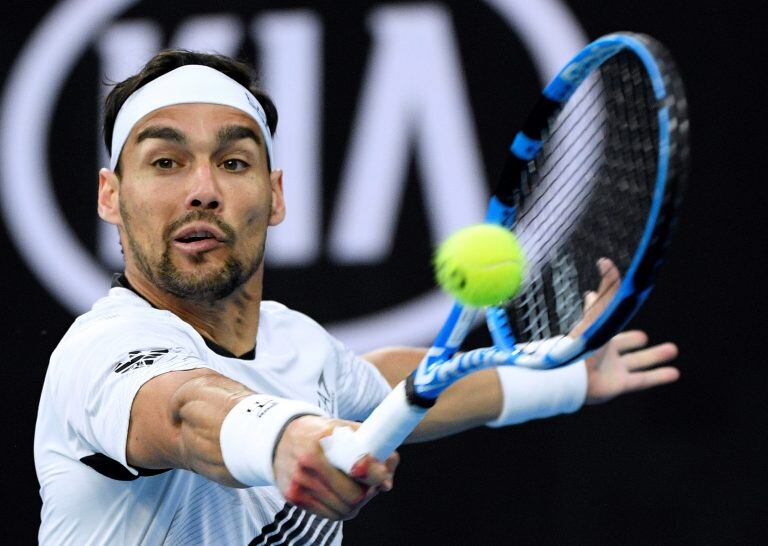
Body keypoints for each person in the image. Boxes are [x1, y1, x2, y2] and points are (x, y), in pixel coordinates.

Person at [34, 50, 679, 545]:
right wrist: (288, 438)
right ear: (110, 196)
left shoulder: (297, 344)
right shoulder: (100, 352)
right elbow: (183, 411)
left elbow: (386, 383)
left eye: (233, 163)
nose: (203, 189)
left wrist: (562, 376)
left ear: (276, 194)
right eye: (165, 163)